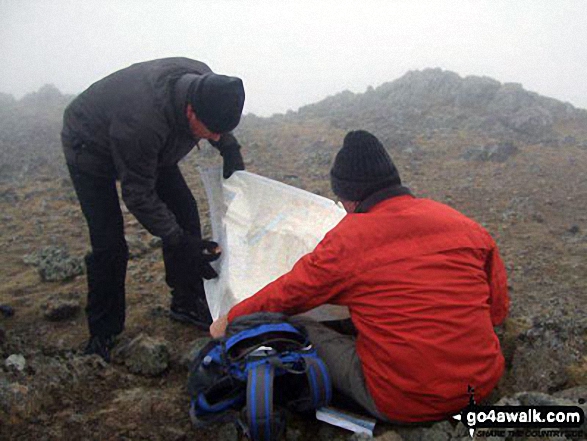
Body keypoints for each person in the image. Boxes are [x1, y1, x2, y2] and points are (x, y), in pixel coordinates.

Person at [210, 130, 509, 423]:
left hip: (404, 400)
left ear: (350, 199)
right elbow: (497, 311)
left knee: (291, 324)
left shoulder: (350, 240)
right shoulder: (464, 225)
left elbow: (291, 292)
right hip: (481, 384)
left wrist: (230, 318)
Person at [62, 57, 246, 362]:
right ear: (190, 111)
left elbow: (215, 118)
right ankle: (103, 332)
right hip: (89, 147)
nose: (214, 137)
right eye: (211, 132)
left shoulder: (207, 84)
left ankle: (186, 300)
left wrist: (229, 148)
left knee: (185, 210)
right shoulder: (141, 123)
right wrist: (178, 241)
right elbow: (138, 194)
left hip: (152, 147)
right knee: (109, 242)